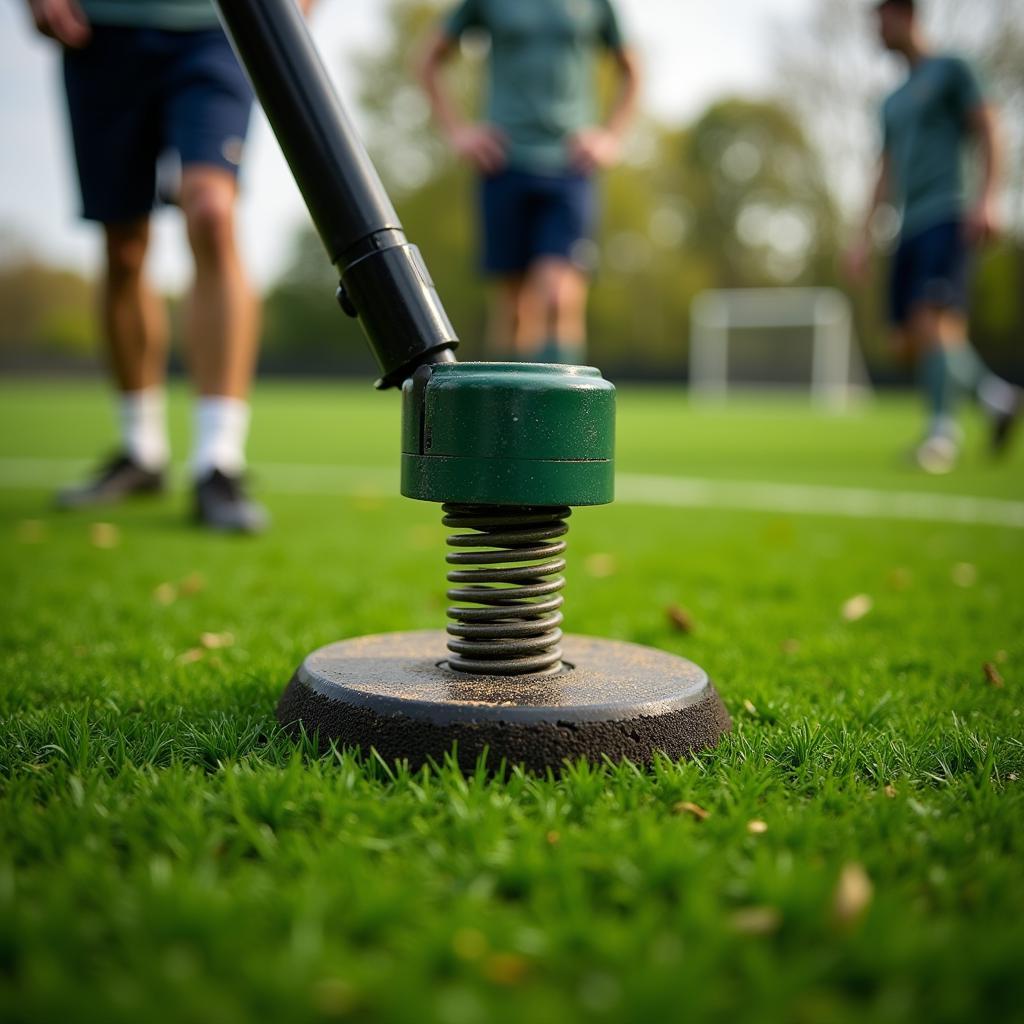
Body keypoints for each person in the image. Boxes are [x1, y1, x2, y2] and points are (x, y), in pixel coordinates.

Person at [24, 0, 298, 531]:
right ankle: (140, 451)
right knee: (123, 245)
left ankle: (218, 461)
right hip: (100, 31)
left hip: (220, 27)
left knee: (213, 213)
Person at [845, 0, 1020, 474]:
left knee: (935, 322)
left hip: (950, 210)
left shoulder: (953, 69)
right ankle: (996, 397)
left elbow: (988, 126)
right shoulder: (892, 100)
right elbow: (885, 168)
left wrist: (989, 197)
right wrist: (863, 235)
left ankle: (941, 434)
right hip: (909, 224)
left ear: (905, 14)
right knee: (905, 342)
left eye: (880, 18)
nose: (875, 29)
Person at [417, 0, 640, 365]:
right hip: (504, 163)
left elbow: (631, 70)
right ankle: (510, 419)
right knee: (514, 309)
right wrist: (458, 133)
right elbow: (428, 60)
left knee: (558, 298)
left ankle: (565, 420)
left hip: (570, 166)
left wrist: (610, 137)